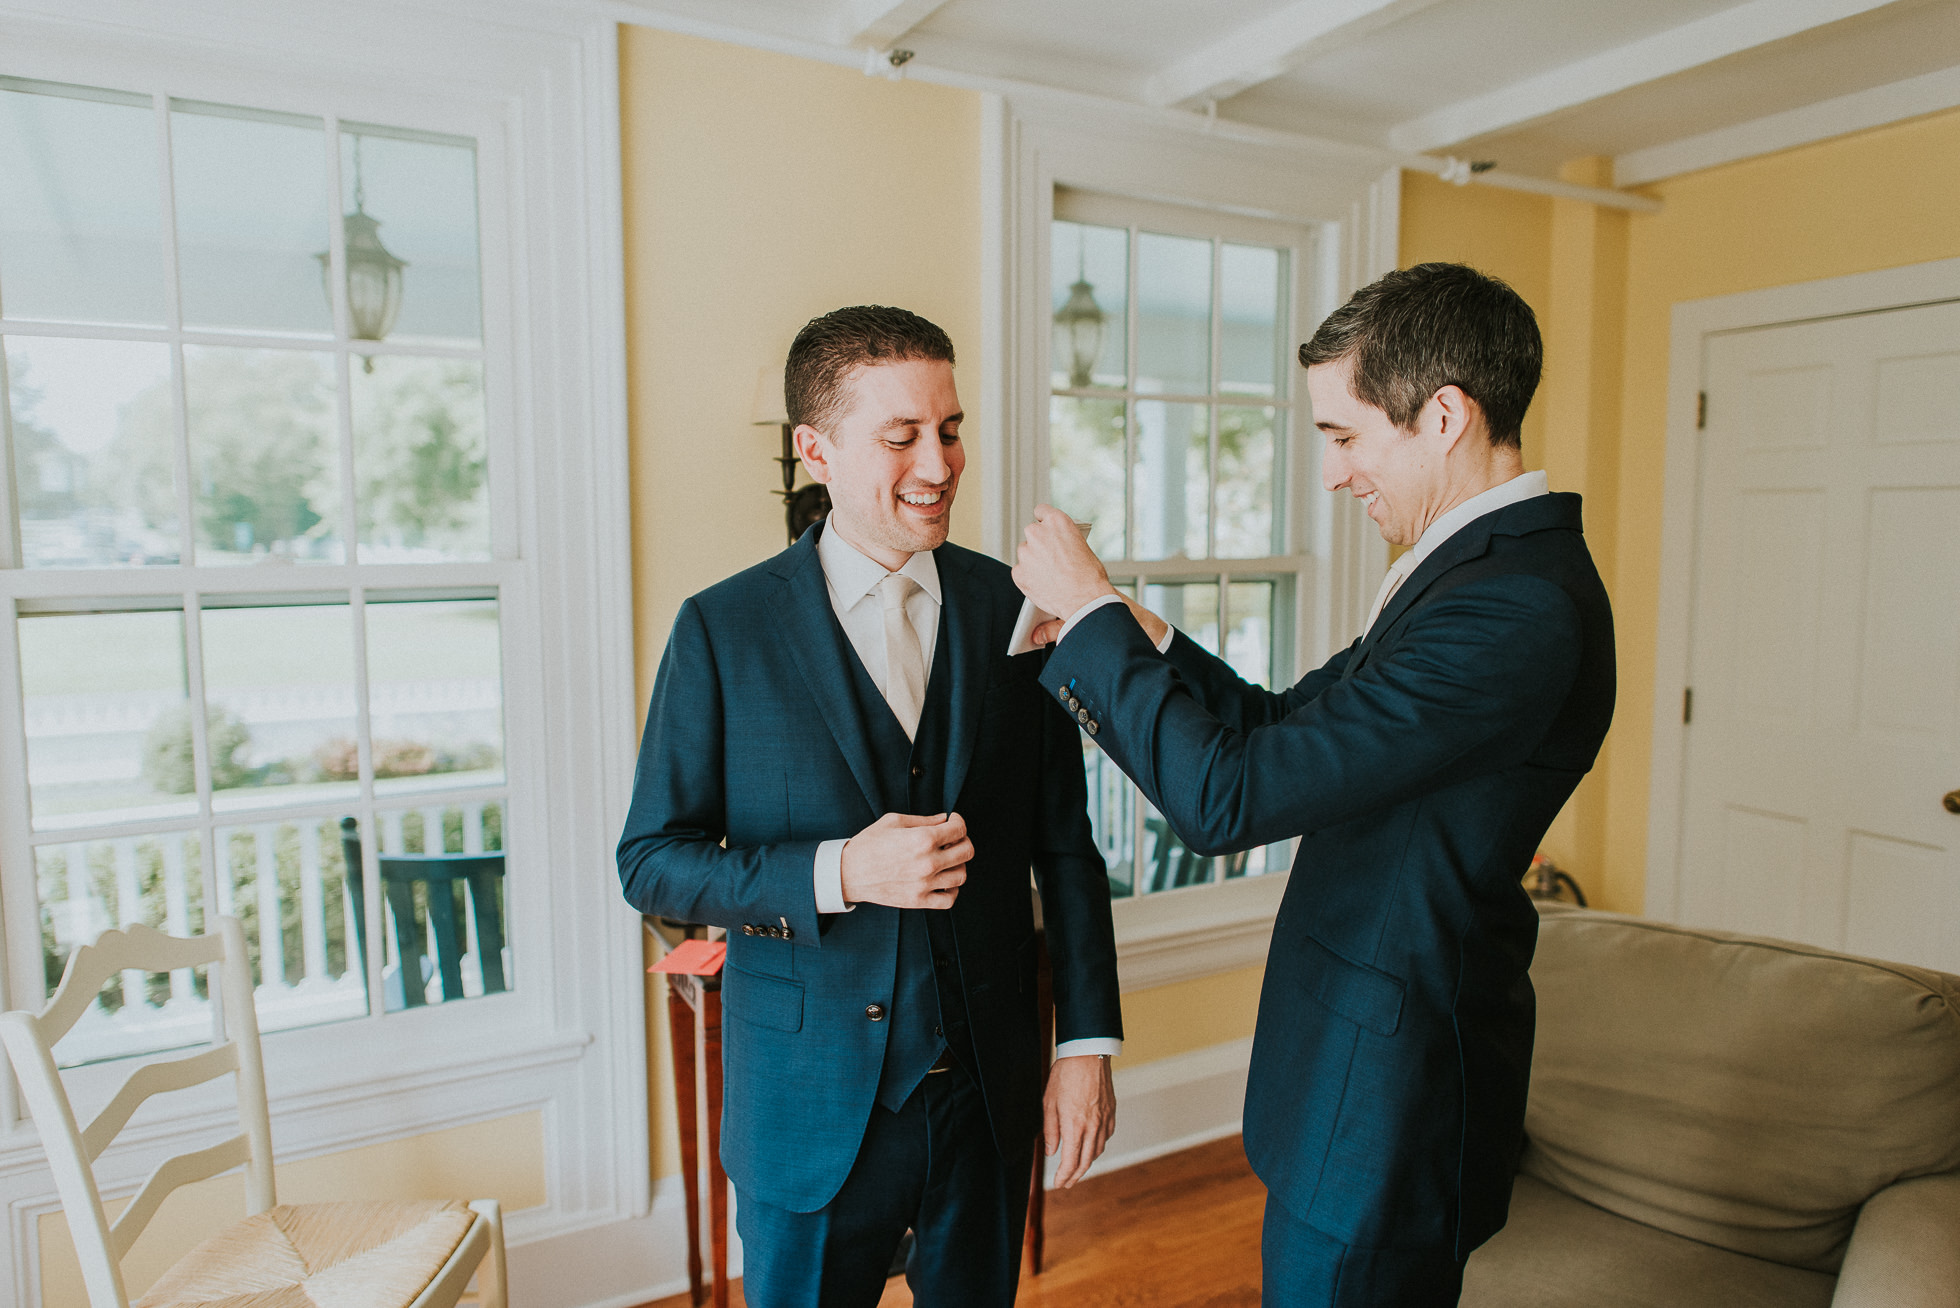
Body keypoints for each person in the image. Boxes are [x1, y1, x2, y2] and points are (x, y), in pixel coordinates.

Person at [1013, 263, 1615, 1306]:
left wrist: (1091, 616)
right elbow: (1275, 725)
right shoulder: (1465, 575)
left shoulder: (1513, 608)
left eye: (1343, 436)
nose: (1332, 475)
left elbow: (1227, 800)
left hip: (1390, 1095)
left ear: (1441, 415)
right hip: (1349, 1068)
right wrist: (1131, 626)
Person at [618, 305, 1123, 1308]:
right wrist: (838, 872)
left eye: (950, 428)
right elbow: (653, 862)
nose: (939, 463)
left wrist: (1085, 1046)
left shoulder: (1014, 609)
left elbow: (1065, 850)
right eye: (902, 437)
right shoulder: (721, 630)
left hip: (983, 1097)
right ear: (815, 450)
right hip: (805, 1106)